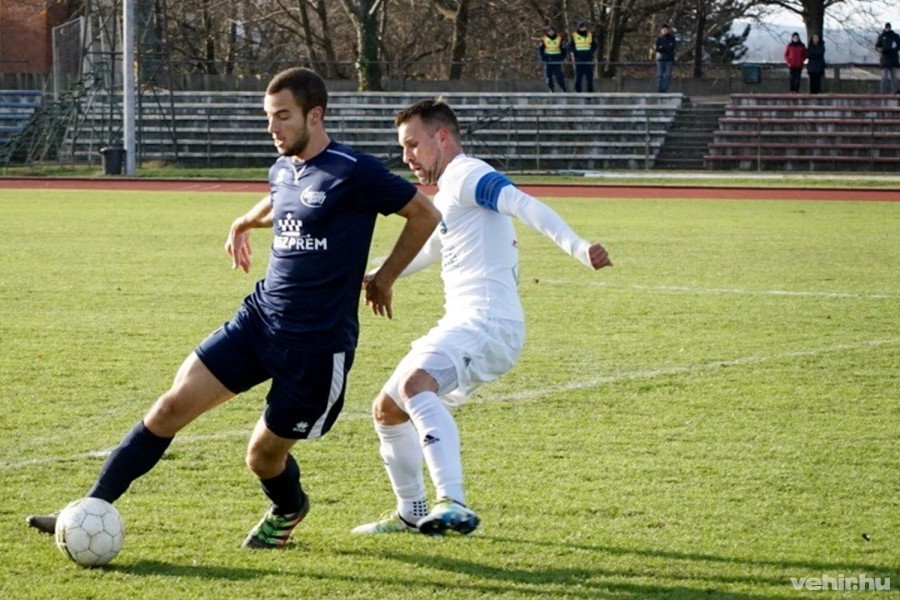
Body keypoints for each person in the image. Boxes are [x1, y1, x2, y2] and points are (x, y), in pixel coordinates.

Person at [25, 67, 440, 549]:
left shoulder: (354, 170)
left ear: (315, 114)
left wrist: (385, 277)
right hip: (258, 322)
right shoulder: (283, 167)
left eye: (283, 116)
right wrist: (242, 222)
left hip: (315, 347)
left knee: (261, 458)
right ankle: (88, 508)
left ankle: (289, 507)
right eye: (268, 117)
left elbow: (424, 214)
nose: (273, 128)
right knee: (169, 406)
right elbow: (279, 202)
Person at [351, 98, 612, 536]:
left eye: (413, 145)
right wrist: (374, 276)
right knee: (387, 410)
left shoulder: (467, 174)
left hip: (487, 323)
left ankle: (451, 501)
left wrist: (579, 248)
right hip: (465, 323)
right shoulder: (449, 192)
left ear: (442, 137)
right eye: (402, 148)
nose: (406, 157)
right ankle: (411, 511)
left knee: (417, 385)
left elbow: (522, 203)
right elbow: (432, 248)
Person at [570, 21, 598, 93]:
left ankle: (590, 92)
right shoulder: (574, 36)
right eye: (582, 27)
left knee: (589, 76)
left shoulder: (590, 35)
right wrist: (576, 53)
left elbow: (595, 45)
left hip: (588, 58)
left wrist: (590, 52)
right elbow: (570, 46)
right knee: (578, 76)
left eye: (584, 27)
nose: (583, 28)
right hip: (579, 58)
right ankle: (578, 92)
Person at [538, 25, 567, 92]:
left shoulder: (559, 39)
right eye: (550, 31)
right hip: (548, 59)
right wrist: (543, 58)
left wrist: (562, 58)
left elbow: (563, 49)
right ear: (548, 32)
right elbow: (540, 50)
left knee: (559, 75)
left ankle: (563, 88)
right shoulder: (544, 39)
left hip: (556, 59)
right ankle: (551, 89)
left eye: (552, 31)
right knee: (548, 76)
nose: (551, 32)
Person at [875, 22, 900, 94]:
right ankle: (883, 92)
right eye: (887, 27)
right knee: (884, 77)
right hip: (885, 59)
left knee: (894, 77)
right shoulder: (881, 36)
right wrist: (883, 50)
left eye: (888, 27)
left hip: (893, 59)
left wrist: (893, 49)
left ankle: (895, 91)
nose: (888, 28)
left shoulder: (895, 36)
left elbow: (898, 46)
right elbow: (877, 47)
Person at [654, 24, 676, 93]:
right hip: (660, 59)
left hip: (669, 59)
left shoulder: (672, 38)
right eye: (663, 29)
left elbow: (671, 48)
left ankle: (664, 89)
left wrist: (664, 47)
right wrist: (663, 48)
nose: (664, 31)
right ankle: (659, 89)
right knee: (659, 75)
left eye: (665, 29)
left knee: (667, 75)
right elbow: (657, 48)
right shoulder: (658, 39)